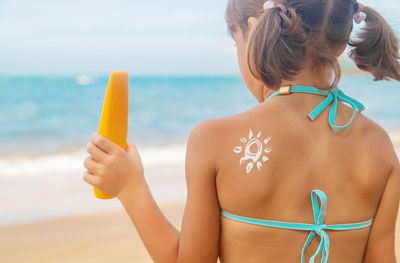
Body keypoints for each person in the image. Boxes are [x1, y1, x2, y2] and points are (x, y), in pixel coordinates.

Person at [83, 0, 400, 262]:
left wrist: (130, 187)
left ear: (255, 33)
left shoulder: (214, 140)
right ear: (342, 39)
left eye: (236, 43)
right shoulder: (380, 147)